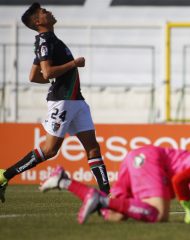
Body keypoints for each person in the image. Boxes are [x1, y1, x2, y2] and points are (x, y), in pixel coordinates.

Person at [0, 2, 110, 203]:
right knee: (50, 150)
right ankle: (4, 175)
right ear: (37, 21)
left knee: (93, 148)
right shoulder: (44, 41)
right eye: (43, 12)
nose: (48, 12)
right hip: (63, 101)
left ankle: (106, 195)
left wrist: (58, 75)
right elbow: (48, 72)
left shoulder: (49, 40)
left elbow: (35, 76)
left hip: (76, 100)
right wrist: (73, 64)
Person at [39, 145, 190, 224]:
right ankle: (100, 198)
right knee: (158, 214)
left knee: (115, 217)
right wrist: (189, 209)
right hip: (150, 160)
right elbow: (179, 180)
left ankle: (64, 181)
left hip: (143, 164)